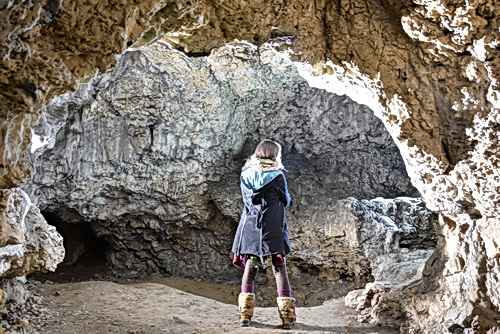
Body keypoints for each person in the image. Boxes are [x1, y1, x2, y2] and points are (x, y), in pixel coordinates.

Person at [231, 139, 296, 329]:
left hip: (250, 228)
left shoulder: (245, 173)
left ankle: (245, 315)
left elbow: (247, 199)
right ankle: (287, 318)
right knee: (279, 268)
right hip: (272, 229)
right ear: (275, 155)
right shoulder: (277, 176)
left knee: (250, 268)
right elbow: (285, 200)